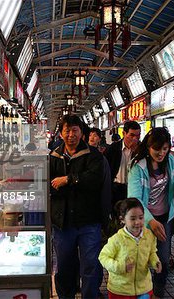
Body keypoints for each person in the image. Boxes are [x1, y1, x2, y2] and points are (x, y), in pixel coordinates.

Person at [127, 127, 174, 298]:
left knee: (162, 260)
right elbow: (134, 200)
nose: (161, 153)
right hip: (143, 222)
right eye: (157, 149)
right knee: (141, 261)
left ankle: (158, 293)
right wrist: (150, 221)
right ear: (148, 147)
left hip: (164, 218)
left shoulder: (170, 160)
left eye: (165, 148)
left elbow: (171, 186)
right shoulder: (138, 168)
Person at [50, 115, 104, 298]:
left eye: (75, 130)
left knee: (90, 265)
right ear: (61, 133)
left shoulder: (93, 155)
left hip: (89, 221)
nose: (71, 134)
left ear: (82, 133)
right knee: (65, 266)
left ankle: (90, 296)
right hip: (63, 222)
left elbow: (94, 180)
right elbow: (48, 183)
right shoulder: (54, 156)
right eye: (67, 130)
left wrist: (68, 180)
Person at [99, 198, 161, 299]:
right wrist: (120, 267)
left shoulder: (149, 235)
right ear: (122, 219)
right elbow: (103, 257)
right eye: (132, 219)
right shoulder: (117, 239)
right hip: (120, 291)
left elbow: (152, 252)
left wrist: (155, 262)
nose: (137, 222)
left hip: (144, 289)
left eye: (141, 218)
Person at [105, 121, 141, 208]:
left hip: (135, 189)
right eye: (132, 135)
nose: (135, 139)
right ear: (124, 133)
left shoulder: (141, 150)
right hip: (116, 188)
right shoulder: (113, 149)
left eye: (138, 135)